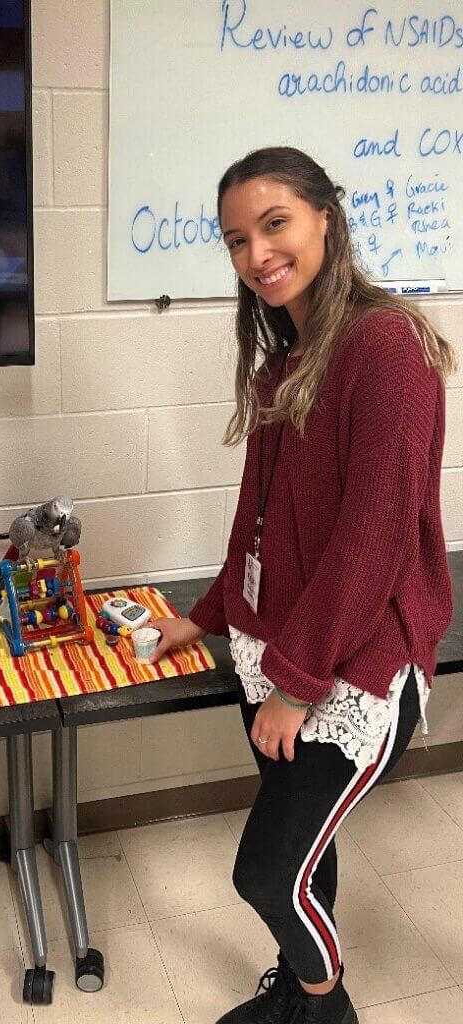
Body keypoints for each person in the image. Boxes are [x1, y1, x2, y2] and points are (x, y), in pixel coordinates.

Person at [149, 146, 456, 1024]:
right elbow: (260, 520)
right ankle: (296, 987)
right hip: (276, 653)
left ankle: (327, 1007)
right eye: (237, 240)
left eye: (274, 224)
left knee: (265, 873)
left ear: (327, 216)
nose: (257, 256)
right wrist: (206, 617)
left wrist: (295, 683)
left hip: (350, 669)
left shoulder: (384, 347)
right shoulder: (283, 358)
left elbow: (372, 539)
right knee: (306, 856)